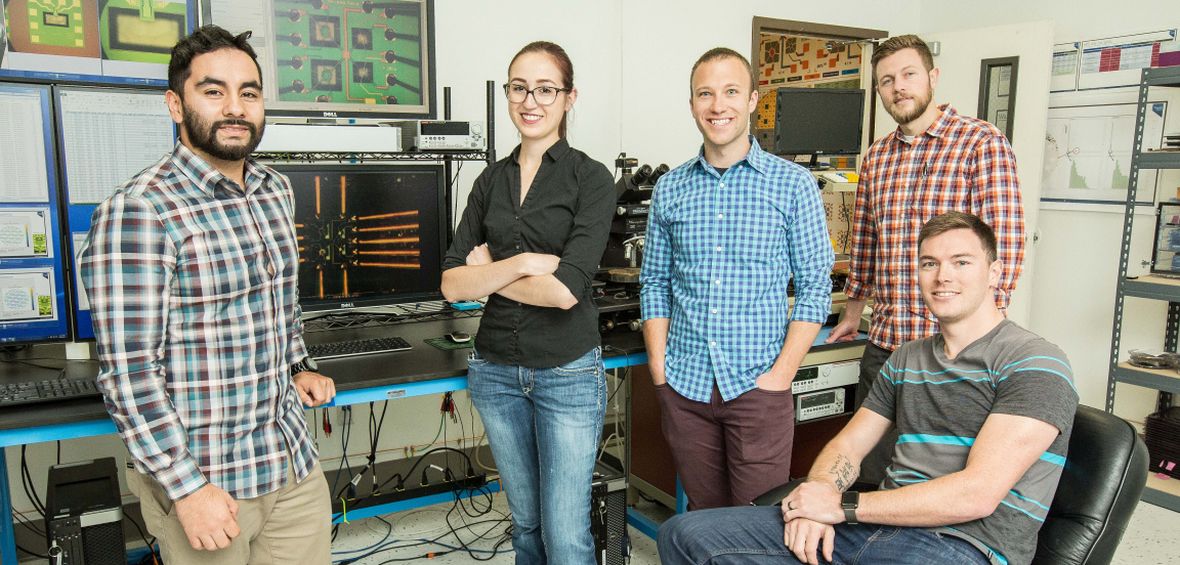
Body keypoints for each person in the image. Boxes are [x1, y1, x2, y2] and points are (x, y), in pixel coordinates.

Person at [659, 211, 1078, 565]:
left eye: (961, 262)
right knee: (684, 534)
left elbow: (977, 495)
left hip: (964, 547)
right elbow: (847, 448)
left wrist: (843, 507)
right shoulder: (907, 358)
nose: (942, 276)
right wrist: (820, 493)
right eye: (929, 263)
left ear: (995, 273)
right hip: (875, 528)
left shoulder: (1034, 362)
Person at [79, 25, 336, 564]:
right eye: (213, 91)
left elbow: (277, 301)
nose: (235, 108)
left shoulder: (273, 190)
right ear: (176, 104)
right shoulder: (140, 212)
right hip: (209, 482)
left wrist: (296, 365)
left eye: (249, 92)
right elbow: (129, 375)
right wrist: (187, 490)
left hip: (289, 460)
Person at [439, 41, 614, 564]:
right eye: (519, 88)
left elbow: (565, 291)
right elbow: (451, 284)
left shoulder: (591, 178)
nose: (529, 100)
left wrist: (486, 269)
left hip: (567, 373)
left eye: (545, 89)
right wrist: (518, 264)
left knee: (565, 536)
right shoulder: (489, 179)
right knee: (526, 527)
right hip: (495, 372)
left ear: (568, 97)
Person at [640, 47, 834, 510]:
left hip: (758, 389)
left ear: (752, 100)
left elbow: (814, 286)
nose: (717, 105)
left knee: (757, 528)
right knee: (708, 522)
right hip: (685, 388)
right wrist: (660, 371)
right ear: (692, 105)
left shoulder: (793, 184)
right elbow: (654, 284)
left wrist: (781, 374)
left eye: (730, 92)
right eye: (705, 94)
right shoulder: (671, 188)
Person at [825, 34, 1026, 482]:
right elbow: (866, 242)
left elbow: (1006, 248)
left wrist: (979, 340)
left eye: (908, 74)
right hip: (889, 345)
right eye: (886, 81)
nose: (898, 87)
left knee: (941, 477)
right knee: (870, 471)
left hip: (954, 353)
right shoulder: (876, 158)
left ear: (932, 77)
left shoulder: (981, 143)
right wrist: (854, 311)